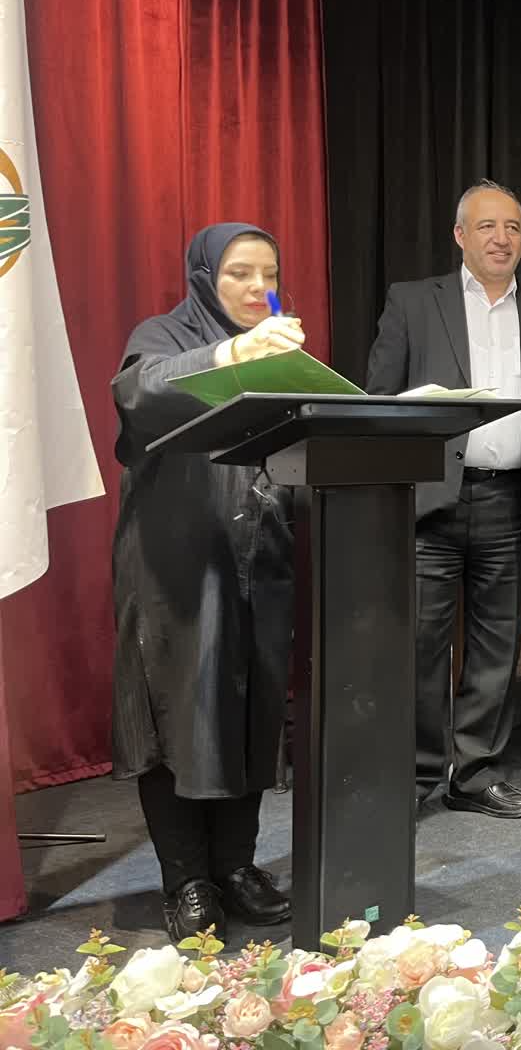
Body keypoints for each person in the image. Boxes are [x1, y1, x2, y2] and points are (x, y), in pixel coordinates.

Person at [365, 180, 521, 818]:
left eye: (512, 227)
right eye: (487, 226)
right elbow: (378, 404)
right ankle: (414, 775)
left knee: (497, 646)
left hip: (511, 502)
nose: (501, 238)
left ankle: (475, 772)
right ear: (460, 235)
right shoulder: (412, 302)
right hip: (428, 503)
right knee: (419, 646)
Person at [111, 222, 303, 939]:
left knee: (249, 710)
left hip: (260, 557)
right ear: (204, 278)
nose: (259, 288)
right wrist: (232, 354)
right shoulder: (163, 335)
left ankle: (236, 866)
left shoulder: (281, 350)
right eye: (240, 273)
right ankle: (187, 879)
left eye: (270, 275)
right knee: (179, 713)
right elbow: (139, 391)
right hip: (177, 567)